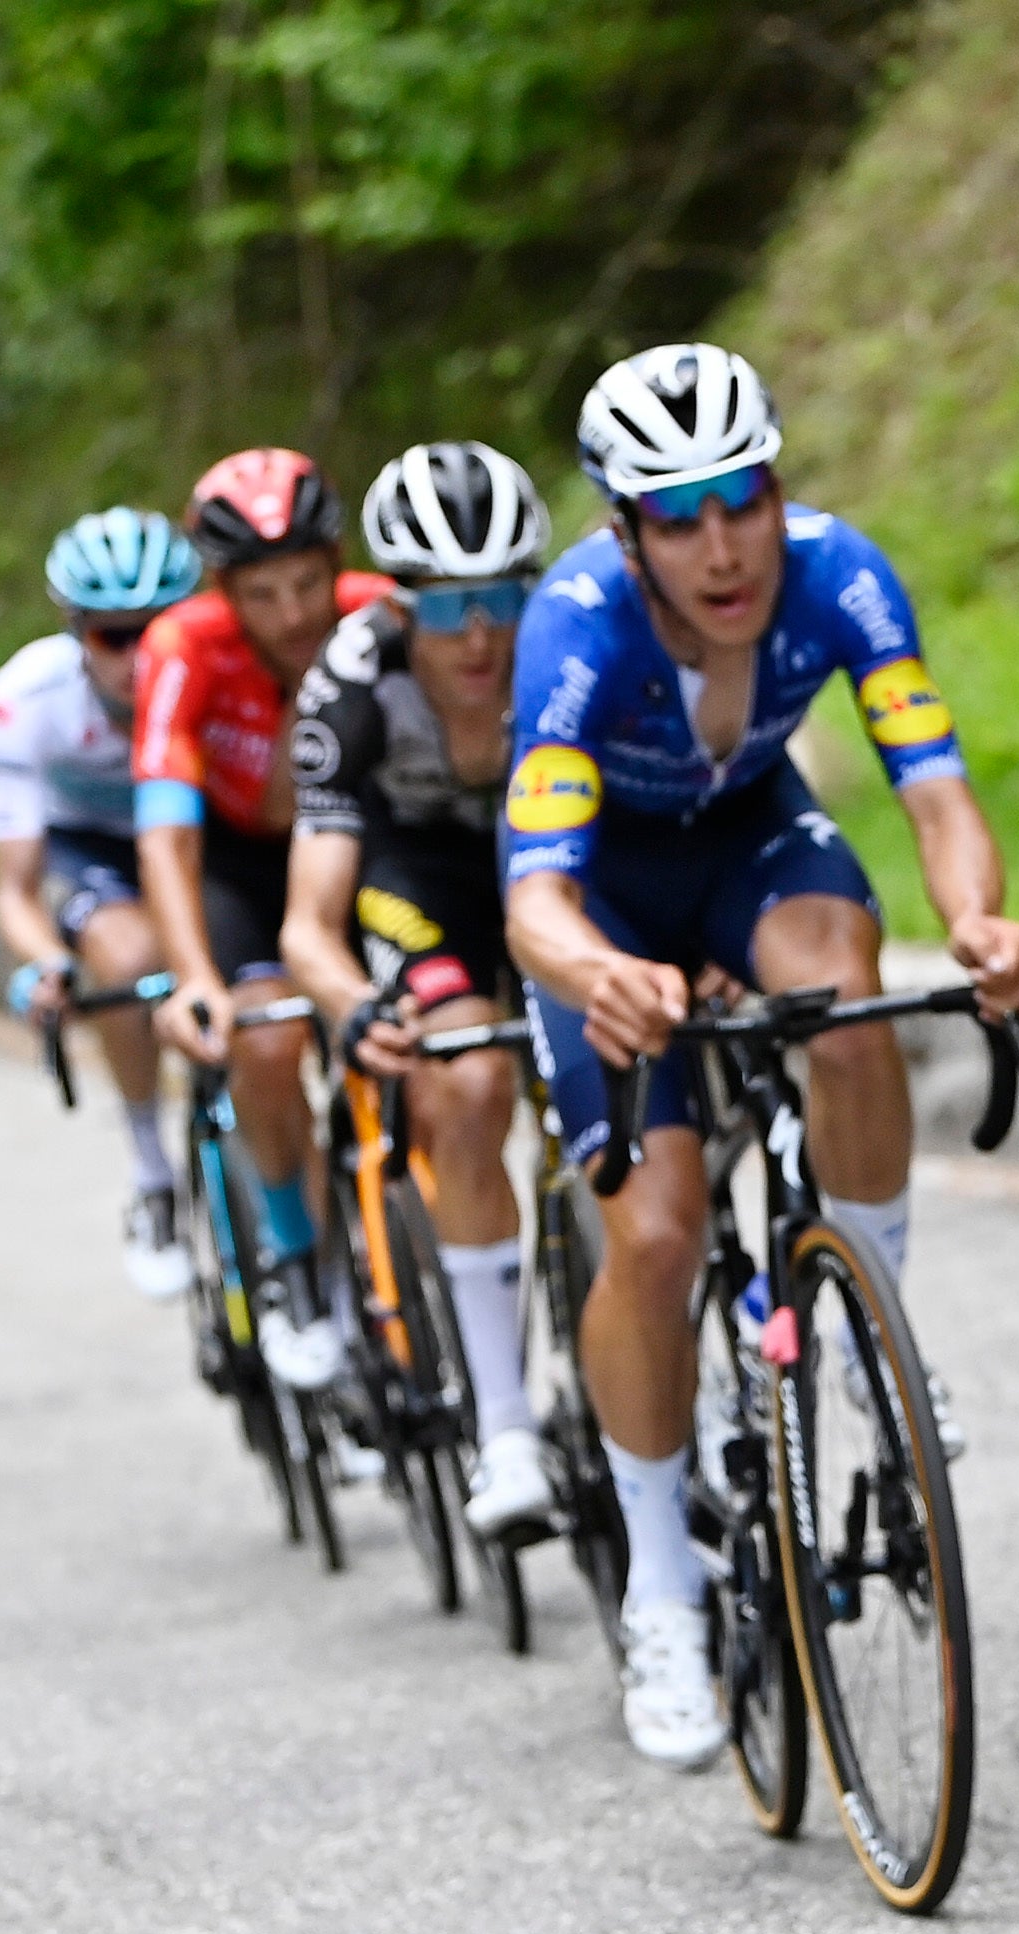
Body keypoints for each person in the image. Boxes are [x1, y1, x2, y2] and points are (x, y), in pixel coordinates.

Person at [504, 343, 1019, 1769]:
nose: (721, 544)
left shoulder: (840, 573)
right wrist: (596, 973)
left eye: (740, 497)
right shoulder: (573, 626)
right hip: (607, 901)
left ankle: (872, 1337)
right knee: (661, 1229)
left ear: (779, 487)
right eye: (676, 517)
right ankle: (662, 1595)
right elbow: (531, 899)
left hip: (752, 843)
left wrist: (980, 920)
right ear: (624, 530)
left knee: (845, 991)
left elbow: (934, 788)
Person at [279, 442, 555, 1539]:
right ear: (399, 609)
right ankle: (505, 1425)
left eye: (500, 599)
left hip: (545, 852)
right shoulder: (348, 683)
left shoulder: (571, 637)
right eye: (448, 610)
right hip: (415, 876)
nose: (480, 634)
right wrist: (350, 1003)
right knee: (470, 1078)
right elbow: (309, 920)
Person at [131, 450, 391, 1391]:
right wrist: (196, 977)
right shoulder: (183, 647)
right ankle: (296, 1258)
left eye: (308, 585)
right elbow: (165, 836)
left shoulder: (379, 611)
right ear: (222, 589)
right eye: (264, 593)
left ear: (337, 568)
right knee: (270, 1046)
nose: (292, 616)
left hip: (351, 845)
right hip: (238, 859)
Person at [0, 508, 205, 1300]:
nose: (141, 655)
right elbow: (14, 885)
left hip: (196, 835)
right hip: (98, 850)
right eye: (115, 635)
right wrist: (48, 962)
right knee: (127, 959)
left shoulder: (223, 673)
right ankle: (151, 1171)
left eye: (159, 627)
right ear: (76, 632)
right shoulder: (25, 701)